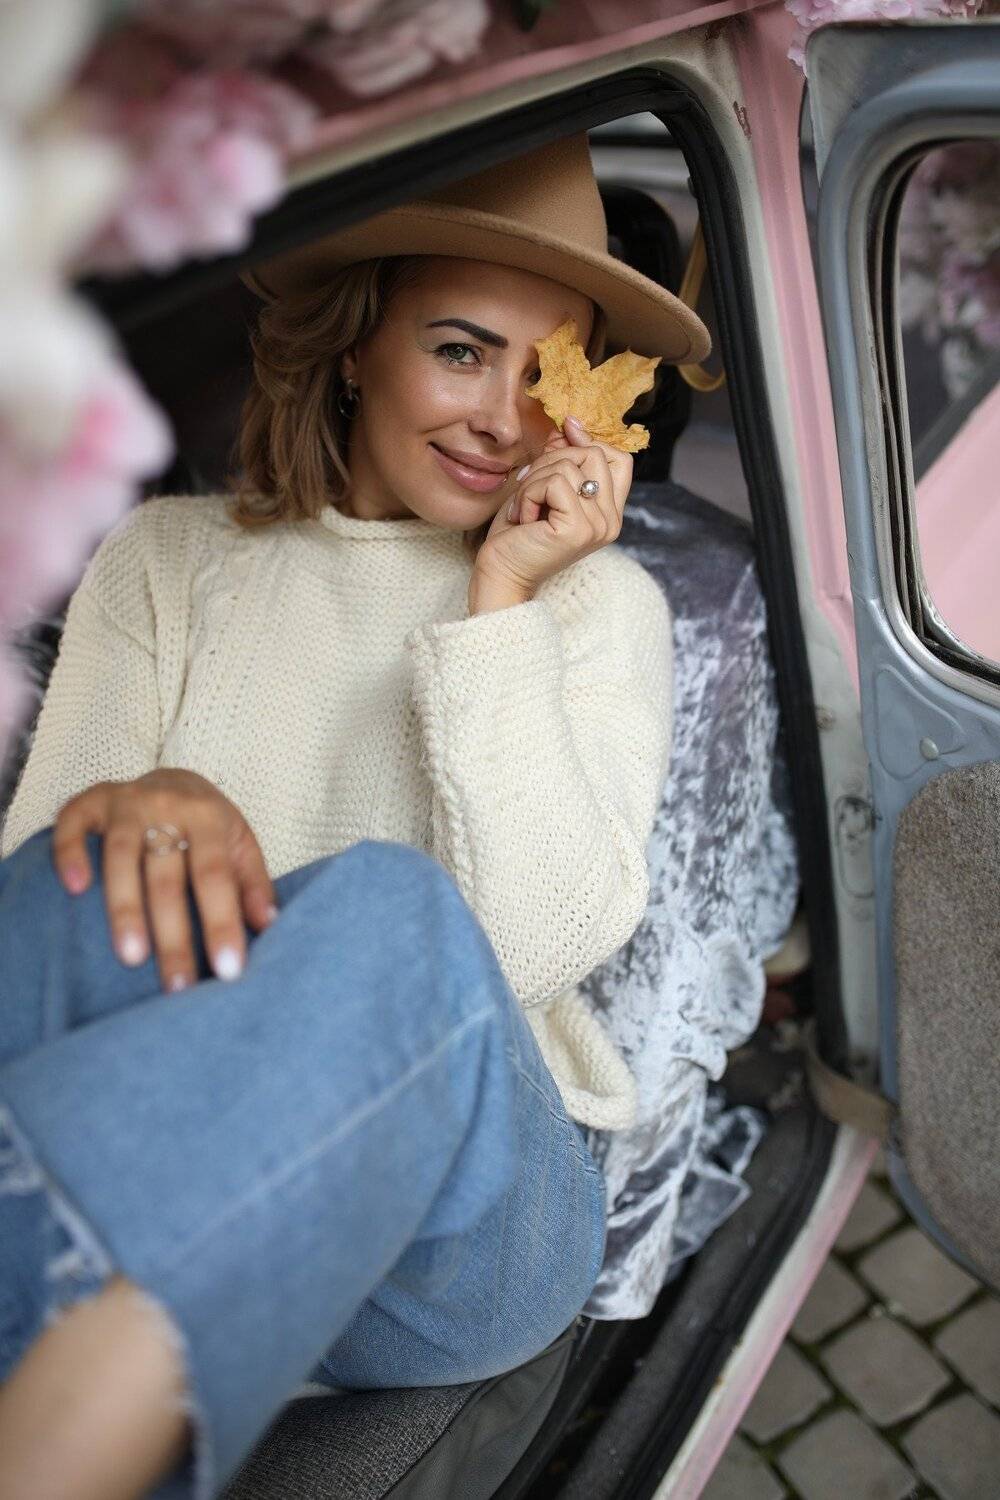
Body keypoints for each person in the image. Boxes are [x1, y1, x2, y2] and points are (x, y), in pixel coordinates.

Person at [0, 133, 710, 1500]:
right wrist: (138, 802)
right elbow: (44, 927)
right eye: (460, 351)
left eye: (544, 374)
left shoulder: (597, 609)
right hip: (175, 1116)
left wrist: (499, 601)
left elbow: (524, 948)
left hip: (459, 1225)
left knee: (392, 907)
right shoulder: (167, 562)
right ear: (354, 346)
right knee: (75, 875)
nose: (503, 419)